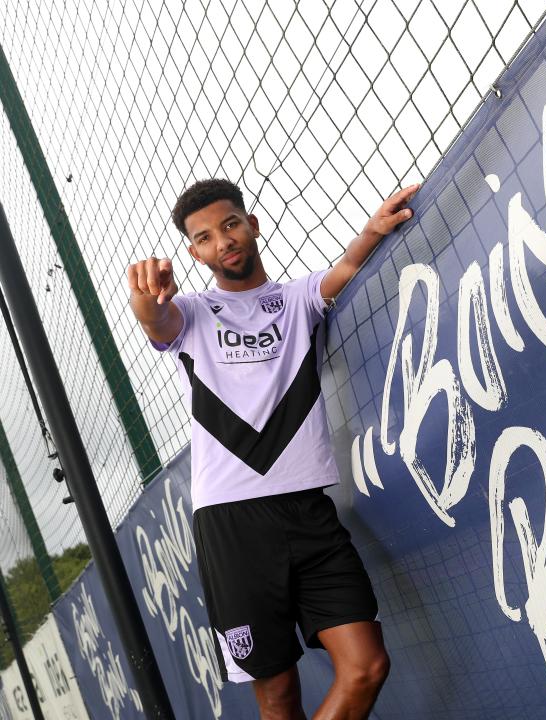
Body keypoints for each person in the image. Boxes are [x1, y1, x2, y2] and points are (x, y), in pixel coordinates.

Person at [128, 178, 418, 720]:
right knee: (279, 699)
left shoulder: (297, 299)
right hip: (232, 524)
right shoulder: (190, 315)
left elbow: (346, 272)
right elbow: (156, 320)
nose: (225, 241)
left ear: (252, 225)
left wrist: (371, 232)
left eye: (231, 224)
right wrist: (145, 300)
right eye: (207, 237)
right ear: (195, 253)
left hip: (310, 513)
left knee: (366, 667)